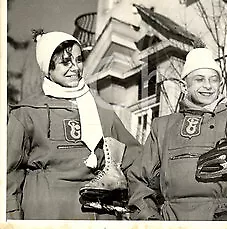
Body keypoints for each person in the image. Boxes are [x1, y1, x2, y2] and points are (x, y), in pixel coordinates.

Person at [125, 47, 227, 221]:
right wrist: (150, 219)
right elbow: (139, 180)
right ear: (185, 85)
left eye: (213, 80)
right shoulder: (162, 127)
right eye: (199, 79)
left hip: (225, 221)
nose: (208, 86)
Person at [7, 31, 142, 220]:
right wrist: (11, 218)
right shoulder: (28, 112)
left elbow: (135, 160)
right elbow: (9, 174)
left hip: (97, 213)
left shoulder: (101, 109)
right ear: (48, 68)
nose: (75, 68)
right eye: (65, 62)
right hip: (47, 212)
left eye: (79, 60)